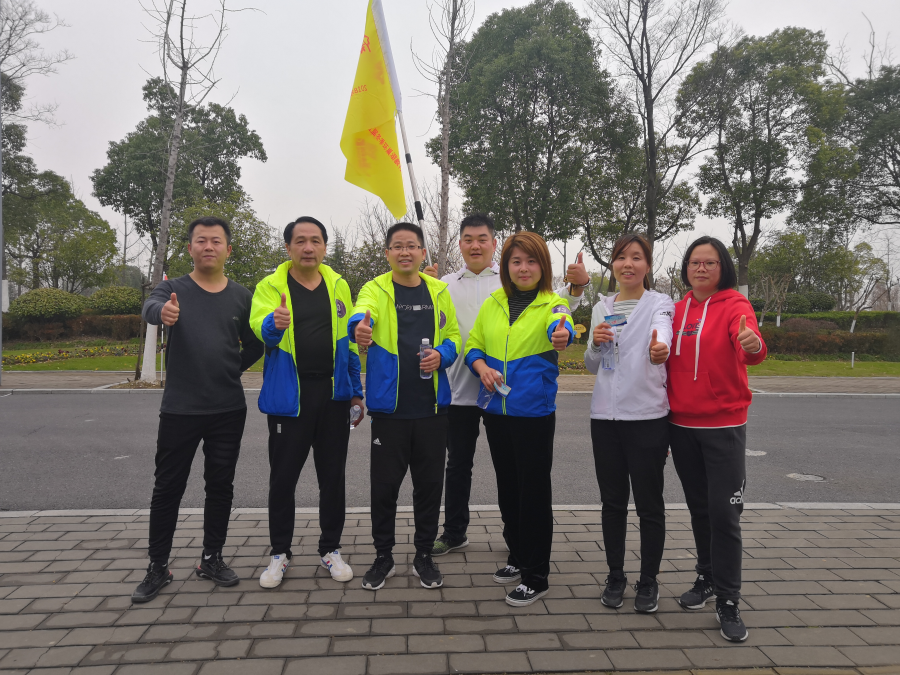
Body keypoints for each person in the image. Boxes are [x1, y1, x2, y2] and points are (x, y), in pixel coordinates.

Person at [428, 213, 589, 557]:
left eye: (482, 239)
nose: (475, 245)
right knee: (458, 465)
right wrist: (422, 283)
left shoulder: (508, 283)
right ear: (460, 243)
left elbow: (556, 305)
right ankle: (455, 531)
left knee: (514, 473)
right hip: (460, 391)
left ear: (494, 244)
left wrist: (577, 288)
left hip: (506, 398)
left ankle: (517, 543)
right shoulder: (443, 284)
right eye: (468, 239)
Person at [132, 216, 264, 603]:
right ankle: (158, 565)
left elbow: (256, 343)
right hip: (180, 409)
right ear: (190, 248)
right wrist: (162, 313)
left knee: (220, 486)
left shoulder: (241, 296)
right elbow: (149, 306)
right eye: (201, 240)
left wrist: (231, 368)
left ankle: (211, 558)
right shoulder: (172, 289)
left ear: (228, 249)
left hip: (228, 409)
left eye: (216, 241)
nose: (208, 246)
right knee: (167, 488)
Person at [249, 216, 364, 588]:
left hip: (333, 396)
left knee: (333, 478)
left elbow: (348, 344)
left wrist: (356, 390)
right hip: (290, 397)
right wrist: (274, 324)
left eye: (315, 240)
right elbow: (261, 329)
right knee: (283, 479)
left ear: (325, 246)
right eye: (300, 241)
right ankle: (279, 554)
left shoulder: (338, 284)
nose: (308, 247)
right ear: (288, 247)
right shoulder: (270, 285)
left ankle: (330, 549)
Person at [348, 222, 462, 591]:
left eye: (412, 246)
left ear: (422, 252)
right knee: (384, 490)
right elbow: (360, 314)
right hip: (389, 410)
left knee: (428, 488)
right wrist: (358, 329)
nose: (405, 252)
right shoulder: (375, 288)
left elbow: (454, 336)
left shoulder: (438, 290)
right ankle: (383, 556)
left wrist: (442, 355)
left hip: (432, 410)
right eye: (397, 246)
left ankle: (424, 555)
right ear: (387, 253)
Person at [465, 231, 573, 607]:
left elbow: (562, 326)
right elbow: (473, 345)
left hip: (533, 414)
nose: (523, 268)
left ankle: (536, 575)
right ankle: (518, 553)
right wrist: (481, 368)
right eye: (516, 261)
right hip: (496, 411)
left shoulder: (553, 304)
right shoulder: (494, 302)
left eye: (531, 261)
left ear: (542, 266)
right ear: (506, 266)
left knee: (533, 492)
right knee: (508, 488)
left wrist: (562, 334)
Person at [666, 235, 766, 643]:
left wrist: (753, 344)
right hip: (680, 426)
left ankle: (728, 599)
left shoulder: (735, 306)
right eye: (695, 262)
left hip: (723, 426)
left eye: (709, 262)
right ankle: (706, 577)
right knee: (700, 510)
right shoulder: (676, 310)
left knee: (725, 514)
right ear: (686, 268)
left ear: (722, 267)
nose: (701, 268)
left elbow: (751, 348)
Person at [584, 234, 675, 614]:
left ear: (647, 265)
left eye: (637, 257)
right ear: (613, 265)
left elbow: (662, 333)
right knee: (612, 502)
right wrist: (595, 343)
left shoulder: (660, 303)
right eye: (621, 257)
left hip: (647, 417)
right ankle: (616, 575)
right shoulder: (601, 307)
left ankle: (649, 580)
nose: (628, 264)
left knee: (649, 504)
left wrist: (661, 348)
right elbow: (592, 365)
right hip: (605, 417)